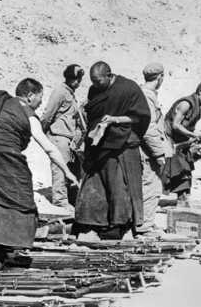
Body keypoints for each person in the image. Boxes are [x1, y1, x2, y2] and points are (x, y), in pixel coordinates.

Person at [0, 78, 79, 269]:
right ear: (30, 96)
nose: (41, 103)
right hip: (0, 155)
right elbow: (49, 148)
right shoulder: (26, 112)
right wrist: (67, 172)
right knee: (18, 197)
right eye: (40, 97)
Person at [73, 62, 151, 239]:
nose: (95, 85)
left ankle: (120, 225)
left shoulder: (128, 89)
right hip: (99, 145)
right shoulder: (94, 90)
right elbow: (93, 114)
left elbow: (139, 118)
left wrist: (115, 120)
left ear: (109, 75)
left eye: (98, 81)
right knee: (95, 183)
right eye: (92, 81)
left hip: (121, 143)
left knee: (119, 186)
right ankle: (93, 222)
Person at [41, 64, 85, 212]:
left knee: (71, 169)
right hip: (59, 136)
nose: (78, 82)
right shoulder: (60, 92)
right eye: (76, 79)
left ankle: (70, 199)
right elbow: (48, 114)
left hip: (69, 139)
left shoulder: (70, 93)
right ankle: (60, 201)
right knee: (60, 169)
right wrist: (42, 133)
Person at [136, 62, 172, 236]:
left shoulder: (144, 93)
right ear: (160, 77)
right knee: (152, 187)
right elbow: (149, 128)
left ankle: (146, 222)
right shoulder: (147, 96)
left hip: (146, 150)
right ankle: (144, 226)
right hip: (148, 152)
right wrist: (158, 153)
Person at [163, 83, 201, 206]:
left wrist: (200, 136)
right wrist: (193, 135)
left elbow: (189, 127)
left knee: (186, 167)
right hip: (171, 139)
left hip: (182, 140)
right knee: (178, 168)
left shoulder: (198, 108)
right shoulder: (186, 104)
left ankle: (183, 197)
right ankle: (181, 198)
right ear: (200, 92)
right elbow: (176, 125)